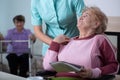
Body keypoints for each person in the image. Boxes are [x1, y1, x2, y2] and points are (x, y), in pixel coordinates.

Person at [43, 7, 119, 80]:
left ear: (96, 24)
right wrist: (55, 43)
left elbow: (114, 67)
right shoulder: (67, 41)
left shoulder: (99, 39)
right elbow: (48, 67)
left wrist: (93, 73)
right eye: (81, 16)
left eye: (86, 16)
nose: (80, 17)